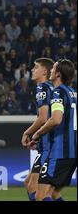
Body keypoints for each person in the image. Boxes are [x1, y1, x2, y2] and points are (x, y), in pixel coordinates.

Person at [31, 59, 77, 201]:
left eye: (53, 69)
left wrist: (37, 133)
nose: (51, 70)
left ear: (58, 74)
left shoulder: (58, 92)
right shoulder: (73, 93)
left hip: (60, 152)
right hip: (72, 152)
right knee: (53, 193)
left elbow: (56, 119)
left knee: (41, 195)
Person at [21, 58, 54, 201]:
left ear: (45, 71)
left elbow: (43, 118)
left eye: (36, 67)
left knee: (36, 188)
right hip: (50, 142)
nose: (32, 70)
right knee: (29, 183)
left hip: (50, 145)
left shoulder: (42, 87)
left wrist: (28, 133)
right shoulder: (52, 87)